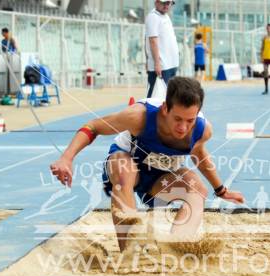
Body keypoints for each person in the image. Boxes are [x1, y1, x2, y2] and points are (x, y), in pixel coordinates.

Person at [49, 77, 244, 252]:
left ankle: (177, 246)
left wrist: (220, 190)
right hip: (127, 165)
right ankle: (130, 251)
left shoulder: (202, 130)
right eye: (177, 119)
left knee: (197, 189)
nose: (183, 127)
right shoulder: (138, 116)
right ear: (165, 108)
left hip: (159, 179)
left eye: (189, 120)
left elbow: (199, 154)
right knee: (124, 169)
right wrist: (67, 158)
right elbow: (93, 126)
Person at [145, 0, 179, 98]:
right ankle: (149, 113)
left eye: (169, 3)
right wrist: (156, 63)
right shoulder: (153, 17)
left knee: (168, 96)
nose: (166, 5)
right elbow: (152, 40)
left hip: (170, 64)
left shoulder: (166, 16)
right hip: (162, 65)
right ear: (156, 2)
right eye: (164, 3)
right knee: (155, 97)